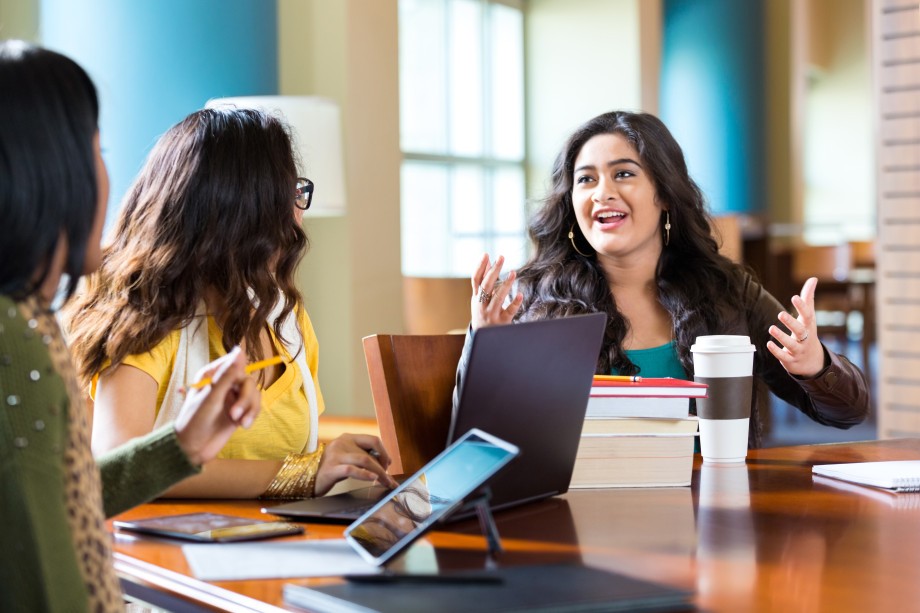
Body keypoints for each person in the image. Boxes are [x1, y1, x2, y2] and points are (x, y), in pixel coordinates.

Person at [0, 41, 263, 612]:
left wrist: (183, 444)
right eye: (97, 151)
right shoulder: (14, 340)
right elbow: (42, 563)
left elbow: (63, 498)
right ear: (51, 176)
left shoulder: (28, 320)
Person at [464, 111, 869, 448]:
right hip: (583, 522)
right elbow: (479, 443)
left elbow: (850, 412)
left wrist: (815, 363)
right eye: (585, 179)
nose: (601, 192)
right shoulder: (531, 300)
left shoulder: (727, 290)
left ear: (665, 195)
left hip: (715, 517)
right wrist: (488, 355)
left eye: (623, 174)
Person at [62, 106, 398, 499]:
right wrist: (301, 474)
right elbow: (115, 462)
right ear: (242, 212)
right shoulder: (146, 311)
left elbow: (298, 463)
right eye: (288, 194)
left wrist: (331, 461)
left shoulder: (286, 316)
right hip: (168, 558)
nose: (297, 217)